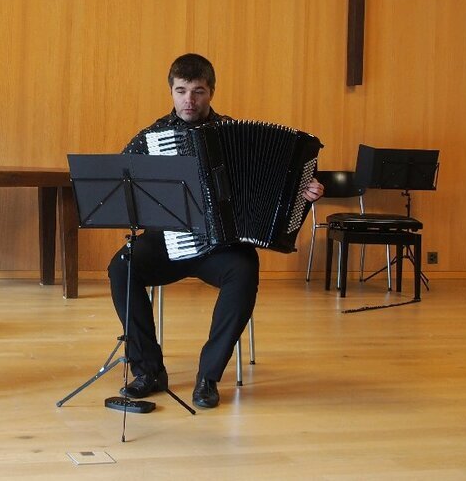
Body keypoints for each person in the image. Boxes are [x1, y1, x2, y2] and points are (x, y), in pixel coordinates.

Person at [108, 53, 324, 408]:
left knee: (245, 270)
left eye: (198, 91)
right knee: (121, 267)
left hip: (222, 245)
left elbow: (279, 188)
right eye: (181, 91)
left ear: (211, 92)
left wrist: (306, 193)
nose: (189, 100)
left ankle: (207, 377)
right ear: (171, 91)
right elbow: (125, 188)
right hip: (168, 241)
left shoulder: (234, 135)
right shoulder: (150, 138)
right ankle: (148, 370)